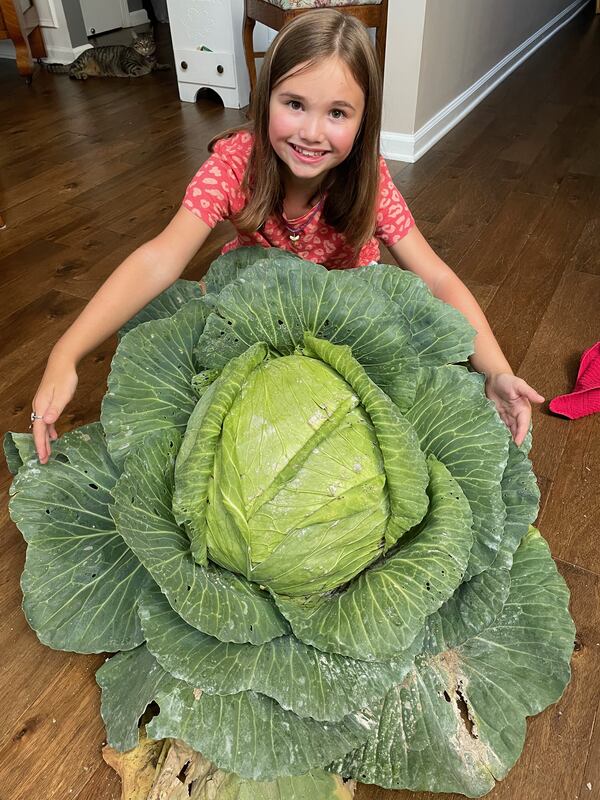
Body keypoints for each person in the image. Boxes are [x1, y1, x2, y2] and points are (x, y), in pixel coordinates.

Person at [30, 9, 543, 464]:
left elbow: (434, 275)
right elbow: (160, 258)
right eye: (294, 104)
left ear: (364, 122)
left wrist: (496, 370)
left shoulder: (370, 179)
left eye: (338, 113)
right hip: (257, 308)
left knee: (397, 418)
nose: (312, 132)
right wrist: (66, 352)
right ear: (263, 98)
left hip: (348, 316)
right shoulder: (234, 165)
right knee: (200, 413)